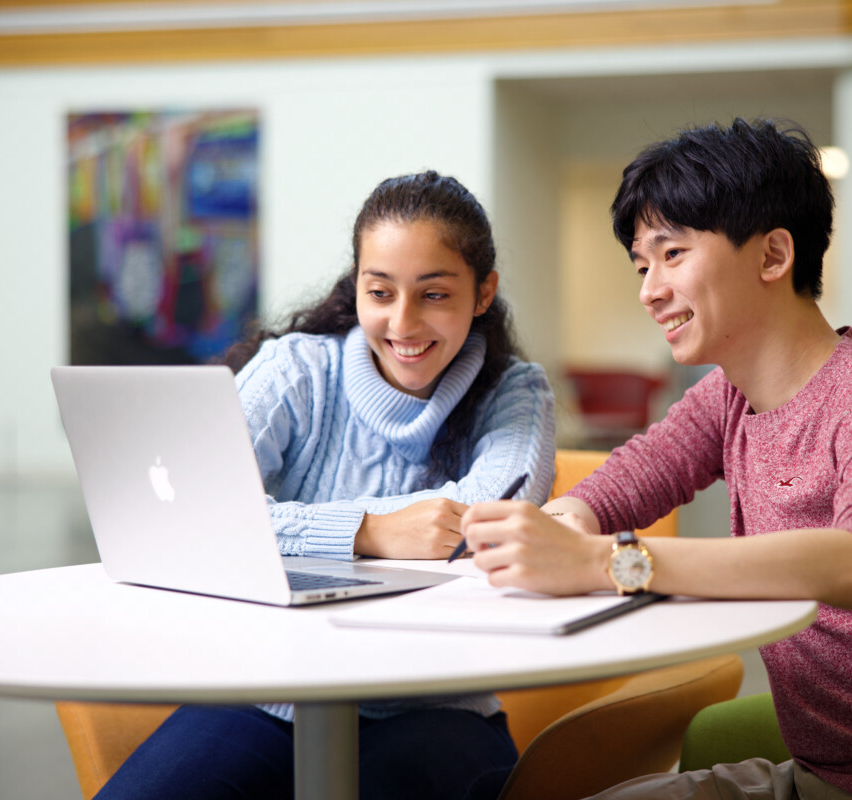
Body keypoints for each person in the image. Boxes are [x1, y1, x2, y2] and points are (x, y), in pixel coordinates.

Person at [460, 119, 852, 798]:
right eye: (642, 265)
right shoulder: (726, 400)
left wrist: (606, 562)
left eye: (672, 254)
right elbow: (618, 486)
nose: (649, 290)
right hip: (822, 777)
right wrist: (559, 526)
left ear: (772, 255)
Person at [96, 170, 555, 800]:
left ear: (483, 293)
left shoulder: (516, 394)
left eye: (434, 294)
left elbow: (488, 520)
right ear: (356, 286)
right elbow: (195, 511)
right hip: (269, 692)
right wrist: (370, 531)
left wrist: (277, 524)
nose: (403, 322)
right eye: (380, 291)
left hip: (434, 708)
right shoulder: (296, 370)